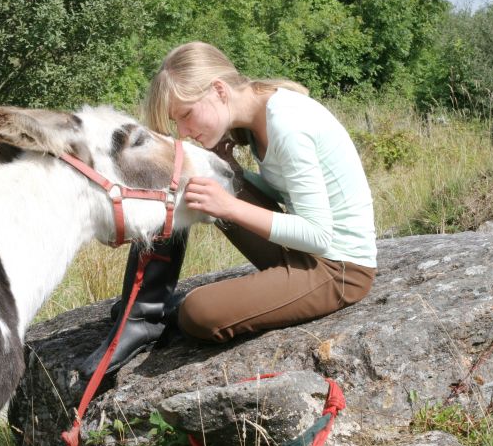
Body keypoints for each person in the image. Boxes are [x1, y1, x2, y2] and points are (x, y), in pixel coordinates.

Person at [78, 41, 377, 378]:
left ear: (218, 90)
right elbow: (285, 193)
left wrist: (230, 207)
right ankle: (142, 315)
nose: (185, 131)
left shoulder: (287, 124)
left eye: (186, 115)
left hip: (339, 269)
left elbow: (319, 236)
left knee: (199, 313)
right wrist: (233, 171)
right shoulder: (263, 112)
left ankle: (164, 314)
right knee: (188, 178)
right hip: (303, 251)